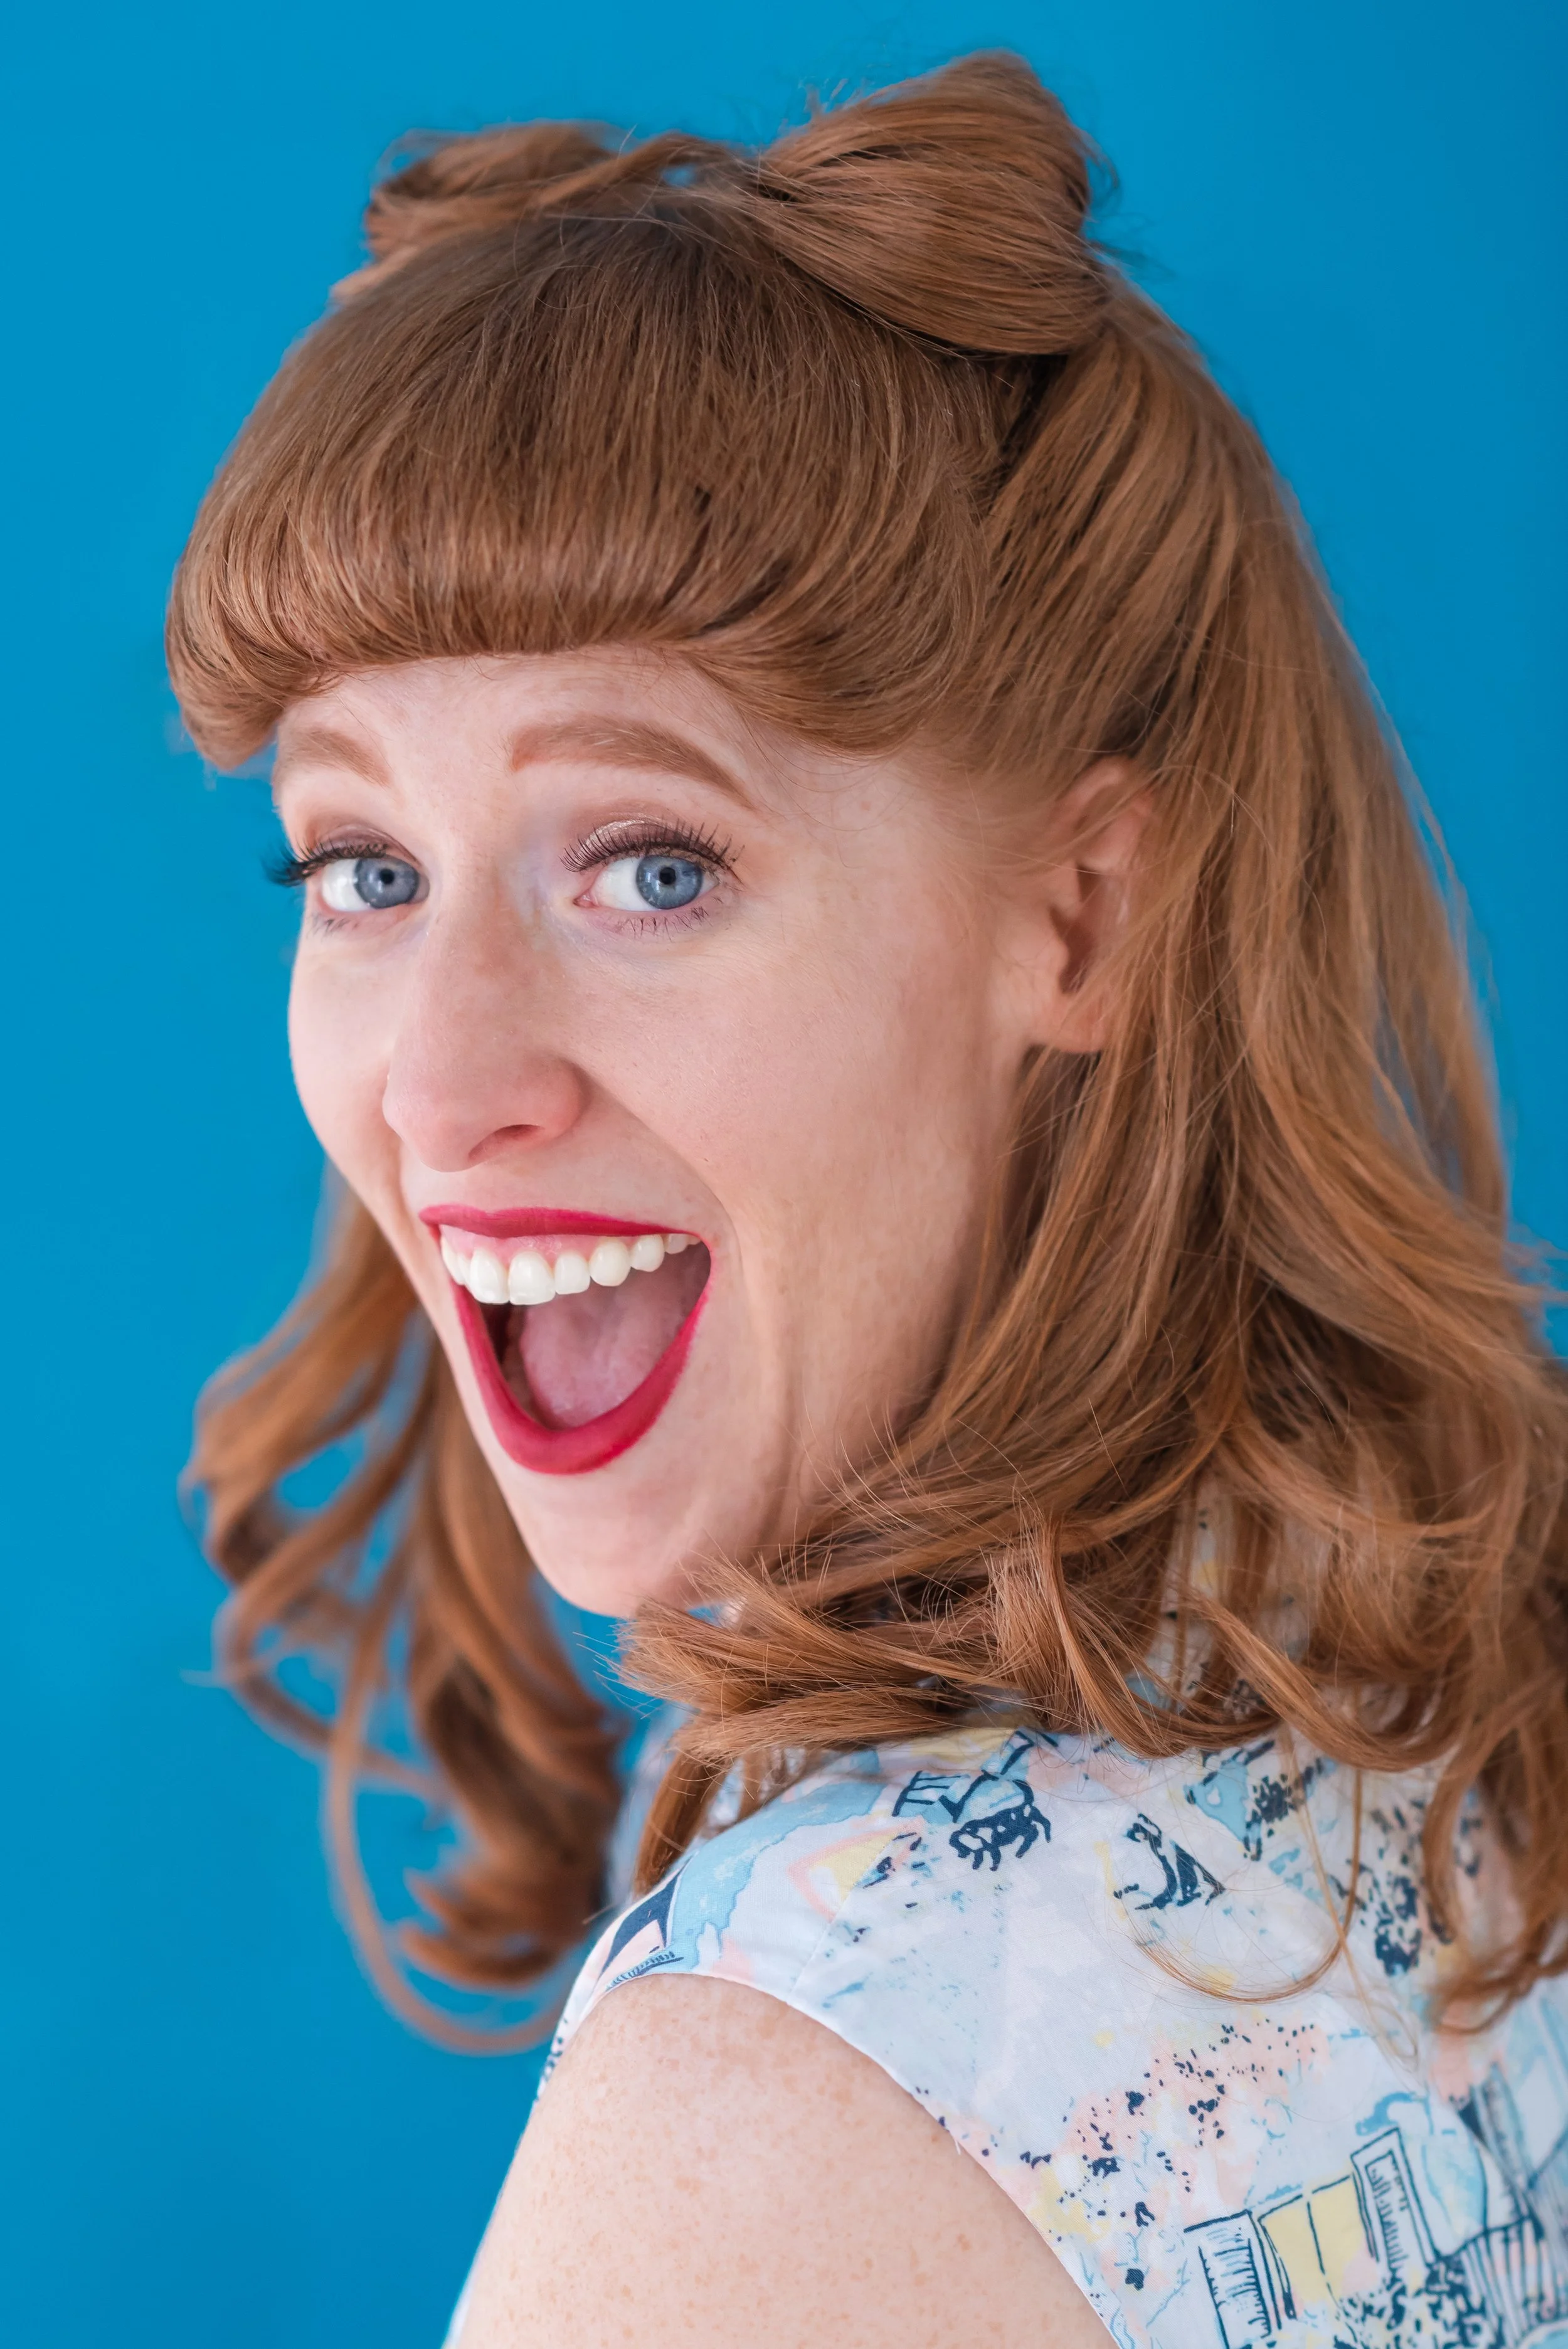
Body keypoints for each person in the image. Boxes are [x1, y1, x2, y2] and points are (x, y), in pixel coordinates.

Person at [169, 53, 1568, 2349]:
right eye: (362, 866)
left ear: (1084, 920)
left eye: (650, 863)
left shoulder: (797, 2096)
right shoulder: (1410, 1678)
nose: (436, 1079)